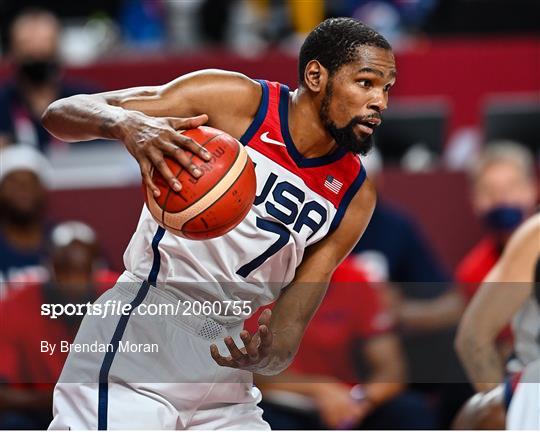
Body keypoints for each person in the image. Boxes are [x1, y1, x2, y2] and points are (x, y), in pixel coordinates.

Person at [42, 18, 396, 429]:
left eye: (387, 88)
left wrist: (266, 354)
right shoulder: (236, 100)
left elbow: (288, 331)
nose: (380, 102)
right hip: (147, 325)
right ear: (316, 75)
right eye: (366, 83)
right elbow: (60, 114)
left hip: (225, 365)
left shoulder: (355, 195)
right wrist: (130, 125)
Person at [251, 258, 437, 430]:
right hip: (278, 403)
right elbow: (247, 370)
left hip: (349, 400)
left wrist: (362, 399)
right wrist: (320, 389)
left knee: (410, 410)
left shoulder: (356, 276)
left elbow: (391, 370)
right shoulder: (250, 279)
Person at [0, 221, 117, 429]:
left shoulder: (120, 297)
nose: (73, 282)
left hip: (108, 409)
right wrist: (61, 397)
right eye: (64, 270)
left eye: (82, 271)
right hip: (40, 413)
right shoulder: (15, 305)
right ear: (47, 267)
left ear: (97, 270)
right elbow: (4, 394)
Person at [454, 214, 540, 429]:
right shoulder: (535, 237)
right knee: (480, 415)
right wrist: (507, 405)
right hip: (533, 389)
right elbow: (474, 338)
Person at [455, 142, 538, 358]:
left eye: (512, 187)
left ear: (533, 189)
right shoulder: (473, 271)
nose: (502, 199)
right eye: (489, 191)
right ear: (474, 200)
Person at [0, 8, 95, 151]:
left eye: (45, 44)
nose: (36, 54)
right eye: (26, 44)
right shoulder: (3, 103)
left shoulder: (87, 101)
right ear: (12, 50)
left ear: (58, 48)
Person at [0, 145, 52, 293]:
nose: (23, 189)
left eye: (30, 182)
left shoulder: (65, 241)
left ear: (42, 190)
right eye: (13, 183)